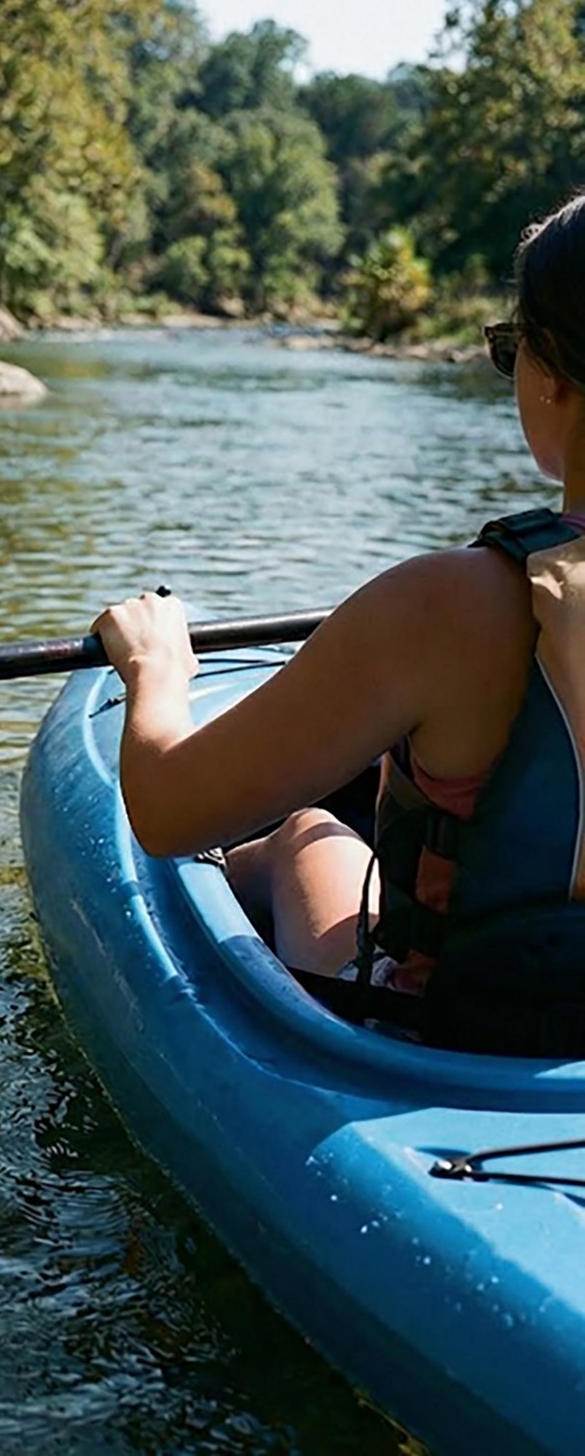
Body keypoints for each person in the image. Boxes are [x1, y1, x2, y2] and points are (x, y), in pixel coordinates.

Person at [91, 190, 585, 1053]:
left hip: (465, 1037)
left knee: (308, 829)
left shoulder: (455, 604)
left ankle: (241, 885)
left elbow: (165, 811)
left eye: (511, 351)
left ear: (551, 372)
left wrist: (157, 670)